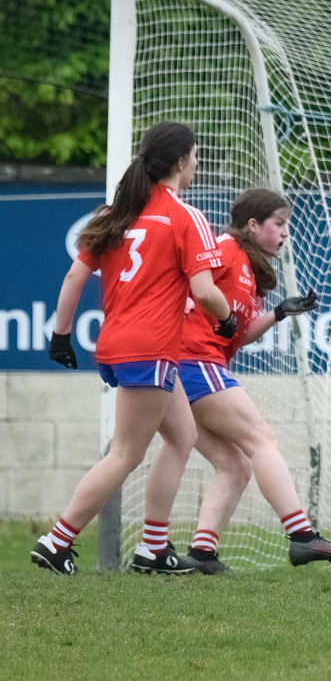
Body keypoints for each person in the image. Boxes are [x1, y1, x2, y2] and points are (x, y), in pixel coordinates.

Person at [34, 122, 236, 575]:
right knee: (125, 454)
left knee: (182, 437)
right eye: (196, 156)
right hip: (153, 349)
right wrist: (227, 319)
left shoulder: (115, 213)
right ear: (181, 161)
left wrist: (60, 335)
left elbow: (73, 279)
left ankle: (153, 549)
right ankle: (57, 541)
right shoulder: (185, 217)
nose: (198, 165)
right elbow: (204, 291)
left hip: (118, 345)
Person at [173, 188, 331, 572]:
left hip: (193, 367)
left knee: (234, 464)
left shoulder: (247, 266)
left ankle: (202, 555)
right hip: (192, 362)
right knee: (263, 441)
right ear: (253, 225)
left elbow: (237, 333)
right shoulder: (222, 248)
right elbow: (192, 289)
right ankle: (302, 537)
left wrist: (279, 313)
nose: (286, 232)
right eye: (280, 223)